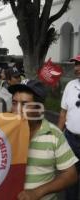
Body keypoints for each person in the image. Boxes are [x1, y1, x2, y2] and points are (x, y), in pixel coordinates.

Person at [8, 79, 78, 200]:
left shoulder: (54, 135)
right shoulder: (4, 133)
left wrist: (38, 192)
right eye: (14, 103)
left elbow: (71, 175)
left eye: (25, 104)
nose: (17, 110)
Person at [58, 55, 80, 200]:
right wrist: (58, 134)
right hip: (71, 139)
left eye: (79, 65)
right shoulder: (70, 85)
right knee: (71, 176)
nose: (76, 68)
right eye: (75, 65)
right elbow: (63, 112)